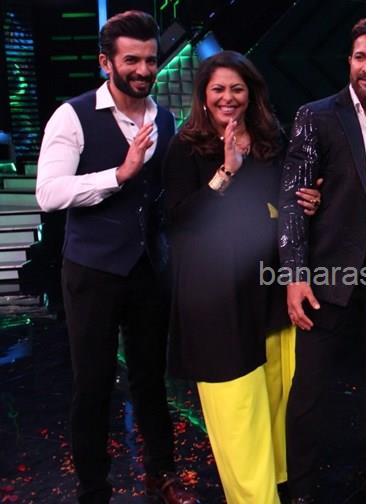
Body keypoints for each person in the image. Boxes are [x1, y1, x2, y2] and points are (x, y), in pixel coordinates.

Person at [34, 10, 196, 504]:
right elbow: (49, 193)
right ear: (106, 62)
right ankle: (93, 489)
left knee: (151, 380)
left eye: (150, 60)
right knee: (94, 385)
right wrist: (118, 175)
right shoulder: (73, 115)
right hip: (93, 270)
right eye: (132, 60)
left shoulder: (164, 118)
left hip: (148, 268)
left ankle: (161, 474)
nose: (144, 70)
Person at [162, 50, 321, 504]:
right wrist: (226, 173)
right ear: (204, 95)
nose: (228, 97)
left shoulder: (273, 141)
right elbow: (178, 221)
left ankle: (278, 483)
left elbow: (284, 207)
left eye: (237, 88)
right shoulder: (186, 145)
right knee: (236, 407)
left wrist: (309, 203)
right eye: (218, 89)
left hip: (269, 289)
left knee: (276, 397)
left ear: (251, 93)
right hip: (215, 297)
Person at [278, 16, 366, 503]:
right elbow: (293, 200)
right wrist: (294, 276)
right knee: (311, 386)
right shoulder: (317, 115)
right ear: (349, 61)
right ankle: (301, 488)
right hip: (329, 268)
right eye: (360, 57)